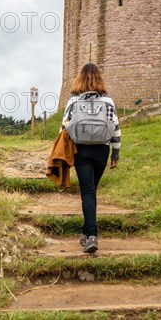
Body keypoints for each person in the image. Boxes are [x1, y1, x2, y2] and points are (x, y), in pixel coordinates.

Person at [60, 63, 121, 253]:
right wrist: (115, 152)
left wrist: (63, 153)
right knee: (91, 190)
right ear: (99, 79)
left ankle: (91, 235)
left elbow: (64, 128)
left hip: (81, 150)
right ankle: (87, 233)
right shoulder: (108, 101)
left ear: (79, 78)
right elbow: (115, 127)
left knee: (87, 191)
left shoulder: (73, 100)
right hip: (101, 150)